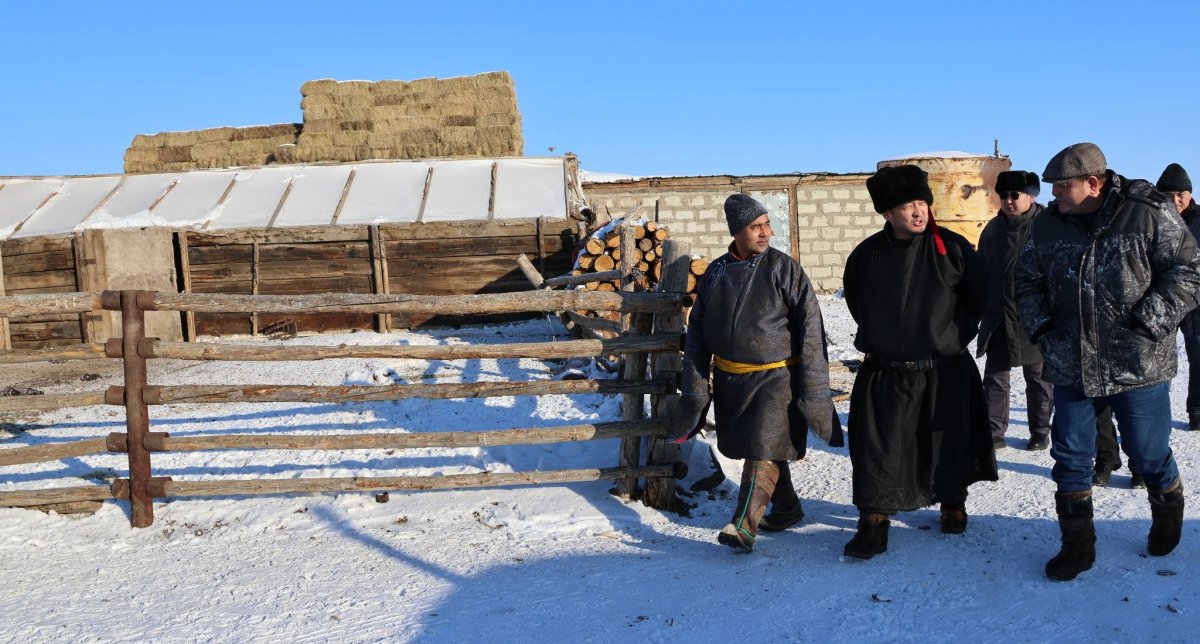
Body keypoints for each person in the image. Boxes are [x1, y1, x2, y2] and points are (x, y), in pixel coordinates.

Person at [1015, 142, 1200, 581]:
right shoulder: (1048, 224)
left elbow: (1188, 271)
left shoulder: (1147, 212)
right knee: (1071, 457)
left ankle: (1168, 511)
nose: (1054, 194)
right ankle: (1077, 546)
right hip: (1072, 364)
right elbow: (1025, 279)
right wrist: (1043, 327)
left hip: (1138, 364)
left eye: (1063, 186)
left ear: (1093, 184)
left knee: (1148, 454)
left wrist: (1147, 324)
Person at [669, 193, 841, 553]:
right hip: (732, 380)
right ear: (736, 231)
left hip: (777, 379)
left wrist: (814, 388)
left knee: (762, 447)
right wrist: (696, 390)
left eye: (767, 224)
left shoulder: (784, 269)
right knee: (765, 446)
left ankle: (743, 526)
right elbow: (697, 331)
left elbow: (811, 328)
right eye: (755, 227)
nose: (766, 233)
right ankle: (788, 507)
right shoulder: (716, 272)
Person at [841, 164, 997, 560]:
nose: (918, 211)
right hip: (886, 373)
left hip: (944, 370)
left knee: (948, 443)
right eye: (907, 205)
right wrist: (886, 338)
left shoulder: (953, 249)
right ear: (887, 212)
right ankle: (873, 524)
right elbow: (858, 302)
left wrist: (951, 337)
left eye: (921, 203)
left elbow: (978, 299)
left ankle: (953, 504)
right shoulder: (867, 256)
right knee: (879, 451)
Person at [977, 170, 1053, 451]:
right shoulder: (993, 230)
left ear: (1031, 197)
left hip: (1035, 319)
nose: (1008, 201)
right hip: (999, 316)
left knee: (1039, 378)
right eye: (1003, 195)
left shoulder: (1046, 227)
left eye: (1014, 195)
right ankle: (994, 432)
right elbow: (981, 270)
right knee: (995, 377)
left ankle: (1040, 431)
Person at [1157, 163, 1200, 432]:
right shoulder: (1151, 219)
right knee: (1159, 362)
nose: (1175, 200)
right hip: (1162, 302)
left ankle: (1197, 410)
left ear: (1190, 194)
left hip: (1196, 302)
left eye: (1180, 194)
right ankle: (1156, 414)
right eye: (1168, 195)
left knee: (1199, 358)